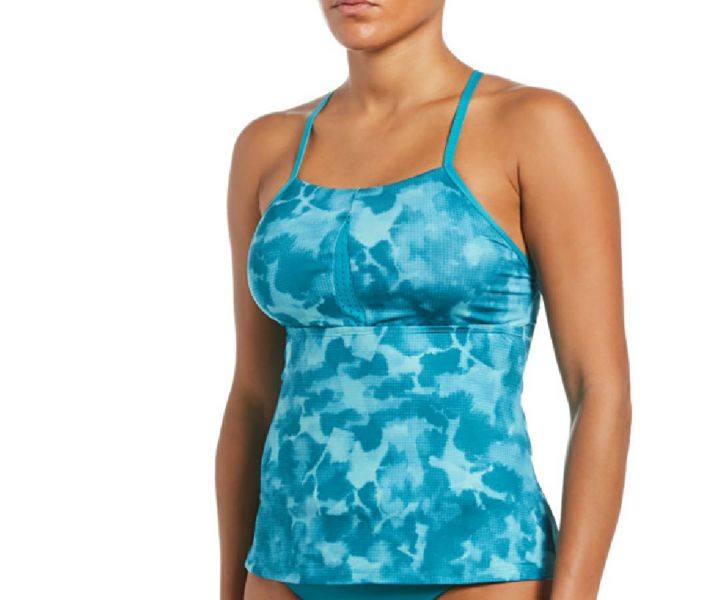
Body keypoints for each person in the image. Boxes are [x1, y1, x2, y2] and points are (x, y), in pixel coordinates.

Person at [216, 1, 631, 599]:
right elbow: (253, 397)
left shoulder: (532, 126)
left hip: (481, 564)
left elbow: (600, 390)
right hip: (286, 566)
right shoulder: (268, 145)